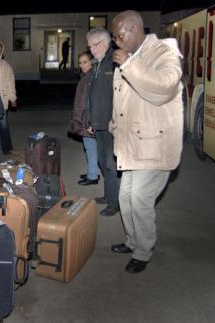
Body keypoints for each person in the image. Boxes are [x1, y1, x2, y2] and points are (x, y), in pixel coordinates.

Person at [109, 10, 183, 273]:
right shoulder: (131, 56)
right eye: (114, 36)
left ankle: (143, 250)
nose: (117, 41)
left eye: (120, 34)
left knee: (140, 197)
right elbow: (127, 97)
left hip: (154, 144)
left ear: (135, 28)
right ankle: (132, 241)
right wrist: (115, 120)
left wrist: (129, 65)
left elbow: (164, 87)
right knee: (125, 196)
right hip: (132, 143)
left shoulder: (164, 53)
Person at [86, 27, 120, 216]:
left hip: (110, 124)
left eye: (94, 45)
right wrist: (90, 120)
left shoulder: (114, 62)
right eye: (90, 46)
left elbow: (120, 96)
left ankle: (114, 203)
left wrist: (114, 119)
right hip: (98, 122)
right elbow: (93, 96)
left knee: (110, 163)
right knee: (101, 160)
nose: (91, 49)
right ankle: (108, 195)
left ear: (105, 43)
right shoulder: (97, 63)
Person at [69, 51, 99, 186]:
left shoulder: (92, 77)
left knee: (90, 147)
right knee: (89, 147)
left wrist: (89, 121)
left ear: (91, 61)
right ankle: (92, 172)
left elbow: (92, 102)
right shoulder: (85, 76)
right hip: (83, 118)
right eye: (80, 63)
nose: (82, 65)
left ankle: (93, 176)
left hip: (87, 119)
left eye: (85, 62)